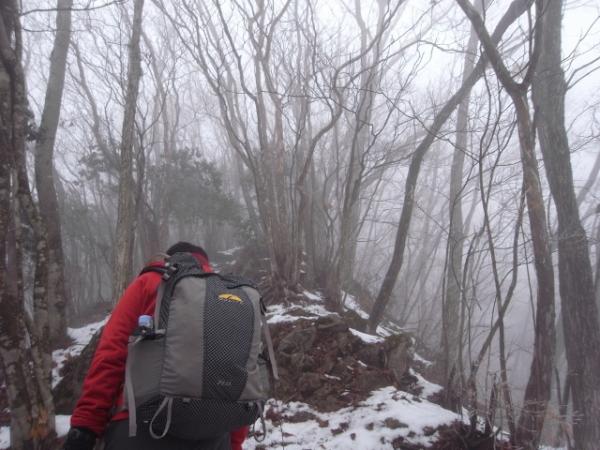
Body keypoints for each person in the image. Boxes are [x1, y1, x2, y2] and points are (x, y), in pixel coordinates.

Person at [63, 242, 249, 450]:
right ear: (206, 262)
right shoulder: (226, 295)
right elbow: (240, 370)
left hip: (139, 427)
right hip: (214, 434)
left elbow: (111, 354)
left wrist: (86, 425)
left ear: (168, 259)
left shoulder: (149, 282)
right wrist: (234, 442)